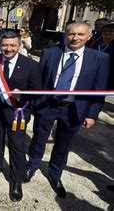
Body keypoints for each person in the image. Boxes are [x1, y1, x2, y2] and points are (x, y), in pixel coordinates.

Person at [24, 22, 110, 198]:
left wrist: (92, 114)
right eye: (71, 34)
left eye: (80, 34)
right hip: (48, 105)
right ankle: (31, 166)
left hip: (74, 108)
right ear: (65, 35)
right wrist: (34, 104)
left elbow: (99, 90)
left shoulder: (99, 59)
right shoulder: (50, 53)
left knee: (63, 144)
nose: (75, 38)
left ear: (89, 36)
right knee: (38, 139)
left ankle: (55, 175)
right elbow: (39, 81)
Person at [0, 31, 42, 202]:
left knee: (16, 145)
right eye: (4, 45)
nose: (8, 49)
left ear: (20, 46)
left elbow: (37, 91)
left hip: (18, 111)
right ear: (0, 45)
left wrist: (22, 95)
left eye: (12, 45)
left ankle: (16, 180)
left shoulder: (31, 65)